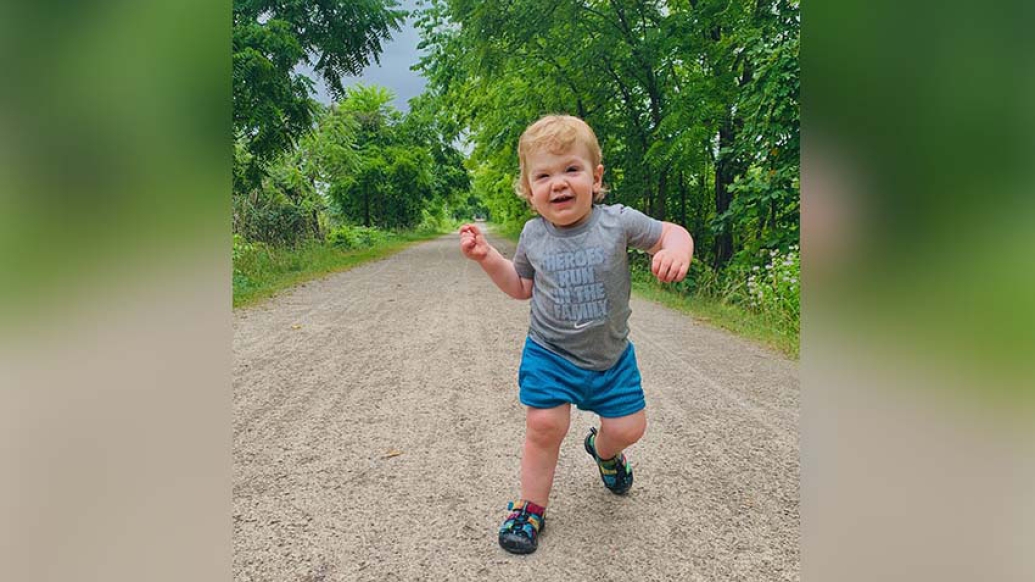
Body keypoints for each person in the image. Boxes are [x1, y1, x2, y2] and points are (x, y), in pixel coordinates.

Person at [459, 114, 693, 555]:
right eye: (543, 175)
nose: (559, 183)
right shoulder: (533, 234)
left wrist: (676, 251)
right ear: (529, 190)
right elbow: (521, 287)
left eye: (571, 169)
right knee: (545, 424)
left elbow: (671, 233)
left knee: (628, 428)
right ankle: (529, 506)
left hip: (611, 358)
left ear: (595, 177)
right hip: (550, 353)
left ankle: (604, 452)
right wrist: (488, 257)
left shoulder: (618, 223)